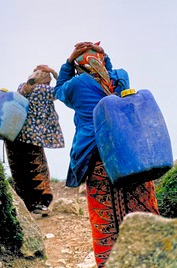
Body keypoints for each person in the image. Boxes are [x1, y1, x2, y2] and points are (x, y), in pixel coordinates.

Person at [54, 42, 159, 267]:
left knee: (105, 211)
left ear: (80, 65)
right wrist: (105, 56)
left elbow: (59, 91)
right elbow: (109, 77)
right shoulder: (121, 77)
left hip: (97, 154)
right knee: (138, 204)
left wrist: (69, 61)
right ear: (102, 59)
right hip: (129, 152)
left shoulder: (78, 84)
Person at [5, 65, 64, 216]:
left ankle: (25, 204)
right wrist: (53, 71)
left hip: (13, 136)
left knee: (20, 171)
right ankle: (40, 203)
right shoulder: (45, 91)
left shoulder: (22, 87)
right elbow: (63, 88)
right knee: (37, 170)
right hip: (31, 139)